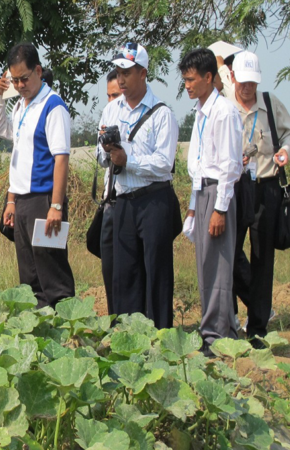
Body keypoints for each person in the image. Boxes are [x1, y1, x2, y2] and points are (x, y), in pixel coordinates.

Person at [97, 42, 179, 329]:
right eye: (119, 71)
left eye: (128, 72)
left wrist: (126, 159)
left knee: (156, 274)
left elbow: (163, 164)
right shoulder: (110, 111)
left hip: (154, 201)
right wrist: (108, 154)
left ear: (143, 73)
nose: (121, 78)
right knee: (125, 274)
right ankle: (128, 339)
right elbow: (100, 157)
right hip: (122, 202)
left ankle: (161, 338)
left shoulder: (162, 114)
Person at [222, 50, 290, 346]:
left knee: (263, 257)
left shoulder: (269, 103)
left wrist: (286, 152)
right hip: (236, 188)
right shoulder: (225, 107)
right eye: (243, 81)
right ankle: (230, 321)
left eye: (253, 82)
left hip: (266, 187)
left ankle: (257, 329)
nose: (247, 87)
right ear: (233, 77)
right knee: (229, 254)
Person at [0, 42, 75, 308]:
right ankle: (40, 331)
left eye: (24, 79)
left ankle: (66, 332)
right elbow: (6, 137)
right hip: (24, 201)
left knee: (52, 271)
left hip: (44, 199)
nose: (19, 85)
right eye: (14, 80)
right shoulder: (21, 106)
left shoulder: (53, 107)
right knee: (29, 274)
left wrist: (56, 206)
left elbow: (61, 159)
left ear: (38, 71)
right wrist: (11, 200)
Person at [181, 48, 243, 354]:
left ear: (209, 77)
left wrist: (219, 208)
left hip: (219, 193)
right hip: (203, 192)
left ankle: (216, 338)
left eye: (192, 80)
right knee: (206, 266)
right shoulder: (201, 111)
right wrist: (194, 205)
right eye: (185, 81)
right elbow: (200, 162)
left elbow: (230, 166)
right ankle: (221, 332)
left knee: (218, 267)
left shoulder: (224, 112)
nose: (187, 86)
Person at [99, 69, 122, 315]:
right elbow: (100, 158)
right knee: (109, 265)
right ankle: (114, 317)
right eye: (108, 95)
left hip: (132, 198)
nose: (112, 101)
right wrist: (108, 149)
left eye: (116, 95)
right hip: (109, 199)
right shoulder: (107, 114)